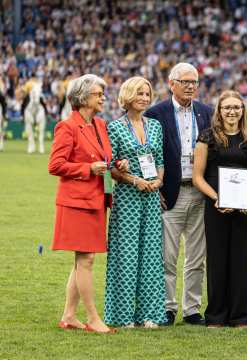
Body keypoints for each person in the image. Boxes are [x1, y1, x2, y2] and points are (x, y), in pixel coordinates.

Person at [48, 74, 128, 334]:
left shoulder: (99, 124)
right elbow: (55, 165)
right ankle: (93, 319)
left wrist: (116, 164)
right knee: (86, 260)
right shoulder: (66, 127)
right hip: (76, 203)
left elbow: (104, 157)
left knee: (83, 260)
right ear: (82, 98)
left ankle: (69, 315)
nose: (103, 97)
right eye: (98, 94)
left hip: (95, 200)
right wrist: (87, 169)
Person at [143, 62, 213, 326]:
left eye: (194, 82)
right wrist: (155, 185)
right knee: (167, 257)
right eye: (185, 82)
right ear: (171, 84)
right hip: (169, 193)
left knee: (197, 257)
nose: (190, 86)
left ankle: (192, 309)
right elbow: (145, 153)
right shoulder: (155, 113)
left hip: (200, 192)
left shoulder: (206, 112)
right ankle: (167, 307)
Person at [192, 90, 247, 328]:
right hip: (216, 208)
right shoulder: (207, 137)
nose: (232, 111)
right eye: (227, 108)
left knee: (242, 261)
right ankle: (216, 316)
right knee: (217, 261)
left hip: (244, 210)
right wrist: (217, 198)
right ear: (219, 111)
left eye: (236, 107)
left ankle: (240, 316)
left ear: (242, 110)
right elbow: (197, 177)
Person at [104, 76, 167, 328]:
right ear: (128, 96)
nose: (144, 97)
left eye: (147, 93)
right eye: (139, 93)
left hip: (151, 197)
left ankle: (149, 315)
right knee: (126, 256)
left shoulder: (155, 126)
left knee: (151, 255)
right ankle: (122, 317)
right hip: (127, 199)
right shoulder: (115, 127)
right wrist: (133, 180)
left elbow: (160, 159)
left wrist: (159, 181)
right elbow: (112, 167)